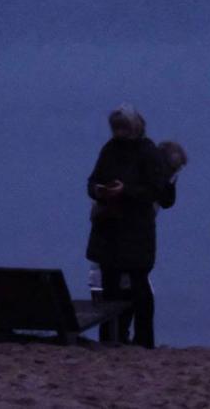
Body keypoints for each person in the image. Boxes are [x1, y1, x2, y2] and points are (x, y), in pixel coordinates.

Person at [86, 104, 167, 348]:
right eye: (116, 128)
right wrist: (98, 190)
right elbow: (93, 180)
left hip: (136, 230)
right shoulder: (109, 150)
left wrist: (126, 191)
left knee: (139, 286)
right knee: (109, 287)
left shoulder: (148, 152)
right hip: (109, 229)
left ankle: (144, 340)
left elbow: (157, 190)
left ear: (135, 127)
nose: (119, 132)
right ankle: (112, 338)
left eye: (123, 127)